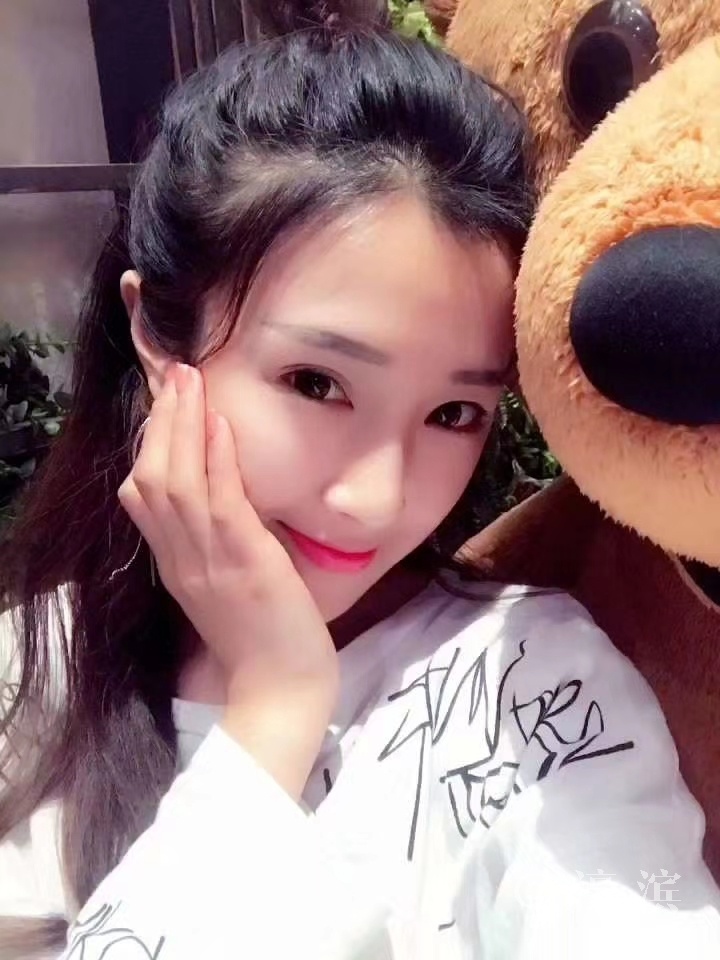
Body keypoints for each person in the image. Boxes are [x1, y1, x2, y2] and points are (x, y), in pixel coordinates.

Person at [1, 3, 719, 958]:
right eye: (317, 383)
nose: (378, 499)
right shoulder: (31, 666)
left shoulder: (528, 689)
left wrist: (277, 696)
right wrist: (269, 716)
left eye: (454, 412)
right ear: (156, 335)